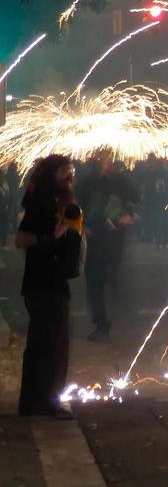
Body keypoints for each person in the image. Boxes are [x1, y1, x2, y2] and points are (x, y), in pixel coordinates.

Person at [15, 155, 84, 418]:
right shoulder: (41, 203)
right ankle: (45, 401)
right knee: (49, 346)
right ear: (51, 175)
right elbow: (20, 239)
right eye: (65, 174)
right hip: (43, 283)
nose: (70, 179)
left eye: (72, 174)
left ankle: (33, 402)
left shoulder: (59, 202)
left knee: (47, 344)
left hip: (53, 281)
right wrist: (50, 237)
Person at [77, 150, 139, 341]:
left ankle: (110, 319)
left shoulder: (121, 181)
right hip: (95, 238)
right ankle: (102, 323)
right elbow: (76, 203)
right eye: (104, 160)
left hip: (112, 238)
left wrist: (129, 214)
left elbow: (135, 199)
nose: (107, 163)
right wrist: (82, 225)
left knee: (105, 277)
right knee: (95, 280)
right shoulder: (88, 181)